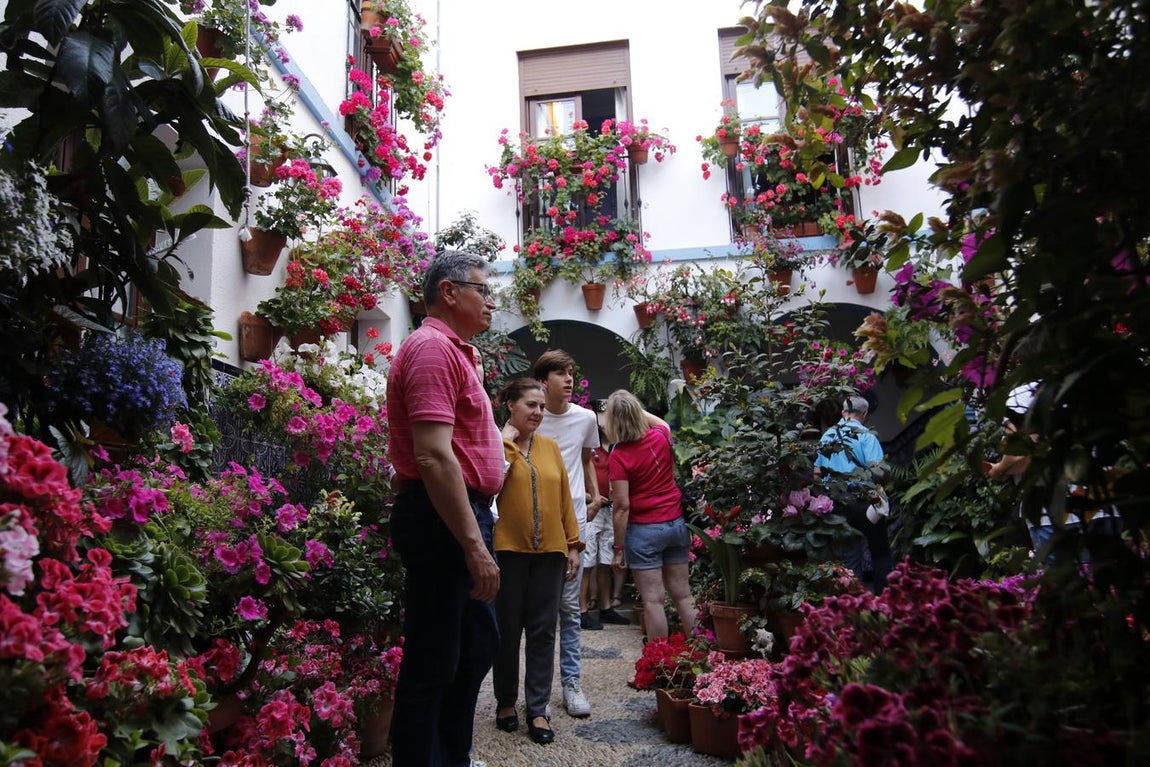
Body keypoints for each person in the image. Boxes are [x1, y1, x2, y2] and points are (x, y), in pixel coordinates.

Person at [385, 250, 503, 767]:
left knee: (474, 646)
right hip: (442, 521)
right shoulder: (433, 349)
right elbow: (433, 455)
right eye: (483, 290)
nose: (491, 303)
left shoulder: (458, 351)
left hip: (459, 517)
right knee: (434, 661)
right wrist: (473, 545)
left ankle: (451, 755)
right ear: (450, 292)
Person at [491, 378, 584, 745]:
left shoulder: (550, 447)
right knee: (507, 631)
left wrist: (573, 545)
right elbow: (490, 484)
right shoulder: (498, 445)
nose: (539, 412)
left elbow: (564, 499)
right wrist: (505, 439)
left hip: (550, 553)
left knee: (544, 631)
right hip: (509, 551)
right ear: (510, 405)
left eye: (542, 407)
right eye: (531, 405)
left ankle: (538, 708)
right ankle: (505, 702)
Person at [532, 349, 600, 718]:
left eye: (572, 372)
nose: (570, 379)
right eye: (561, 373)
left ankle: (572, 683)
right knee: (538, 613)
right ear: (544, 381)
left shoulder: (586, 418)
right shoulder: (532, 418)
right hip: (536, 522)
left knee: (571, 609)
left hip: (575, 522)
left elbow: (586, 458)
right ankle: (533, 692)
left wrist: (595, 497)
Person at [604, 389, 697, 639]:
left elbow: (622, 506)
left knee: (653, 601)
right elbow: (661, 422)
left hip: (644, 531)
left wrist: (618, 548)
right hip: (675, 525)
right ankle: (702, 655)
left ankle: (660, 663)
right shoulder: (660, 436)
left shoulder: (619, 456)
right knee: (684, 595)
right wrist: (629, 404)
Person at [813, 395, 891, 593]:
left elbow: (816, 475)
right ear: (864, 415)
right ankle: (883, 599)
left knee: (850, 554)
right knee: (879, 551)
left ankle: (852, 602)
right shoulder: (867, 436)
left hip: (837, 502)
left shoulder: (828, 435)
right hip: (864, 500)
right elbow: (879, 472)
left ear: (842, 412)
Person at [586, 425, 628, 624]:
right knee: (587, 562)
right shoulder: (590, 447)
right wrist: (591, 496)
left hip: (611, 510)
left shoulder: (617, 448)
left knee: (605, 561)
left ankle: (606, 607)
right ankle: (581, 611)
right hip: (590, 508)